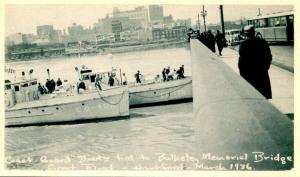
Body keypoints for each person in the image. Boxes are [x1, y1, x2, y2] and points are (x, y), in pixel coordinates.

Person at [238, 25, 272, 99]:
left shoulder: (243, 45)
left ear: (246, 34)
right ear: (254, 32)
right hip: (261, 72)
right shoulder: (262, 42)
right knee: (263, 94)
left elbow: (241, 61)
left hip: (249, 74)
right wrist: (266, 67)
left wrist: (242, 74)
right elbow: (269, 56)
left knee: (253, 96)